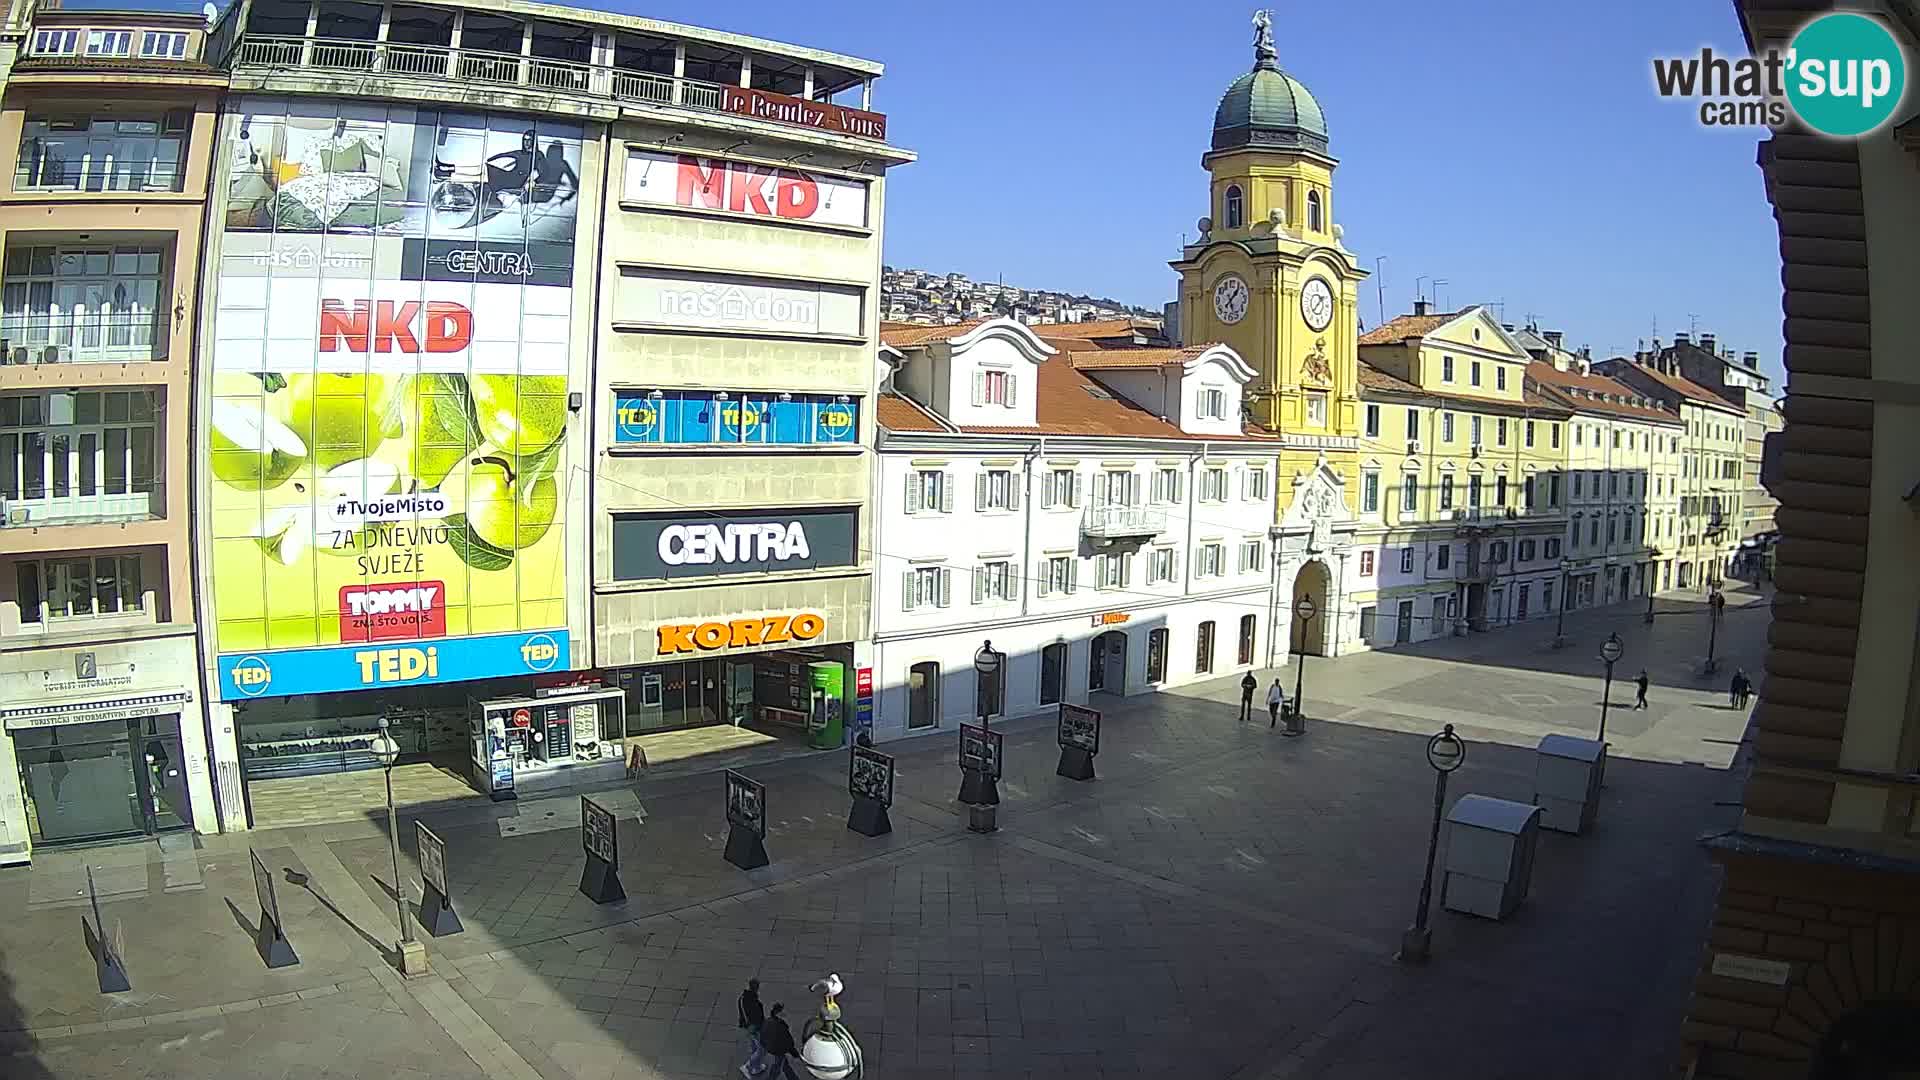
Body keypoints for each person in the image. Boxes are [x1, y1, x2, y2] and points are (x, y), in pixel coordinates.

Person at [756, 1002, 800, 1080]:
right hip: (778, 1049)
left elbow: (762, 1034)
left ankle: (792, 1077)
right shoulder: (780, 1026)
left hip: (771, 1047)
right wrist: (794, 1053)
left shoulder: (768, 1021)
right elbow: (787, 1042)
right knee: (777, 1066)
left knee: (784, 1064)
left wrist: (765, 1045)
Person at [736, 978, 765, 1078]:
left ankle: (755, 1066)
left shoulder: (743, 998)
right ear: (756, 988)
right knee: (762, 1049)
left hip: (749, 1027)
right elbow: (755, 1017)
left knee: (754, 1046)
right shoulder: (752, 1000)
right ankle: (749, 1066)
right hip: (754, 1028)